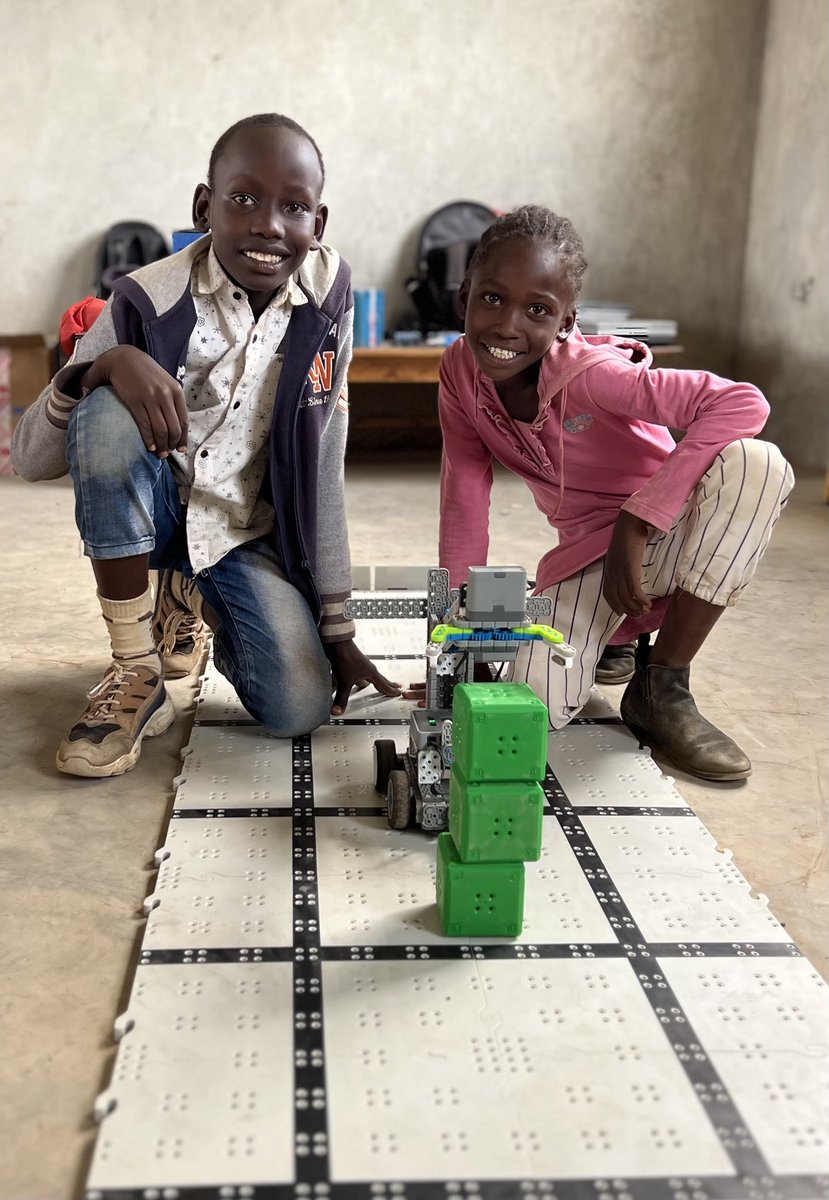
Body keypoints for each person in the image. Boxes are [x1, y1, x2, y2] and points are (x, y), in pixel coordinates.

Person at [12, 112, 399, 778]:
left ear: (319, 223)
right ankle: (135, 670)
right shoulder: (146, 299)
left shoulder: (328, 303)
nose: (268, 225)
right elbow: (29, 458)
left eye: (294, 207)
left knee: (297, 708)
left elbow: (324, 467)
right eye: (243, 197)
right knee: (107, 412)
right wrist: (102, 366)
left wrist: (336, 626)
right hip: (158, 508)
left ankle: (185, 593)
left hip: (240, 533)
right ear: (204, 207)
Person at [438, 205, 793, 782]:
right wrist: (460, 628)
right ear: (464, 297)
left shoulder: (596, 375)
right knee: (525, 710)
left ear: (566, 320)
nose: (507, 327)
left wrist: (639, 517)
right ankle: (612, 637)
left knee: (756, 463)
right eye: (493, 299)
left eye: (537, 310)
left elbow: (742, 402)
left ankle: (663, 686)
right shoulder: (458, 370)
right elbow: (464, 490)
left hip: (675, 533)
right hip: (590, 559)